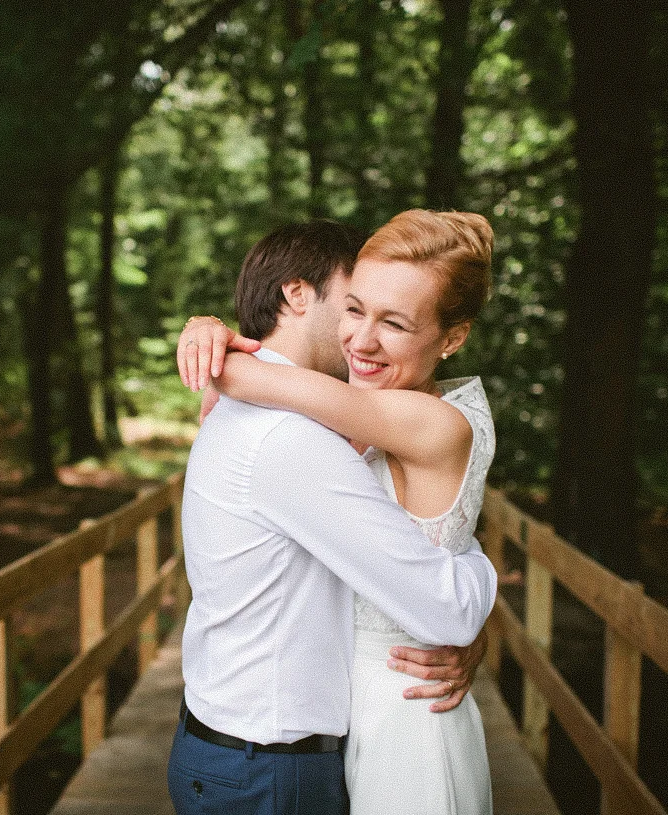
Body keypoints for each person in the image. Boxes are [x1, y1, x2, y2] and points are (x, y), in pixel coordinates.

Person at [168, 218, 496, 815]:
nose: (361, 339)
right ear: (300, 295)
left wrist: (221, 354)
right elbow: (438, 592)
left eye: (393, 322)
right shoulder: (295, 433)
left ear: (452, 337)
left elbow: (439, 601)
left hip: (387, 715)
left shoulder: (317, 413)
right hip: (272, 759)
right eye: (353, 307)